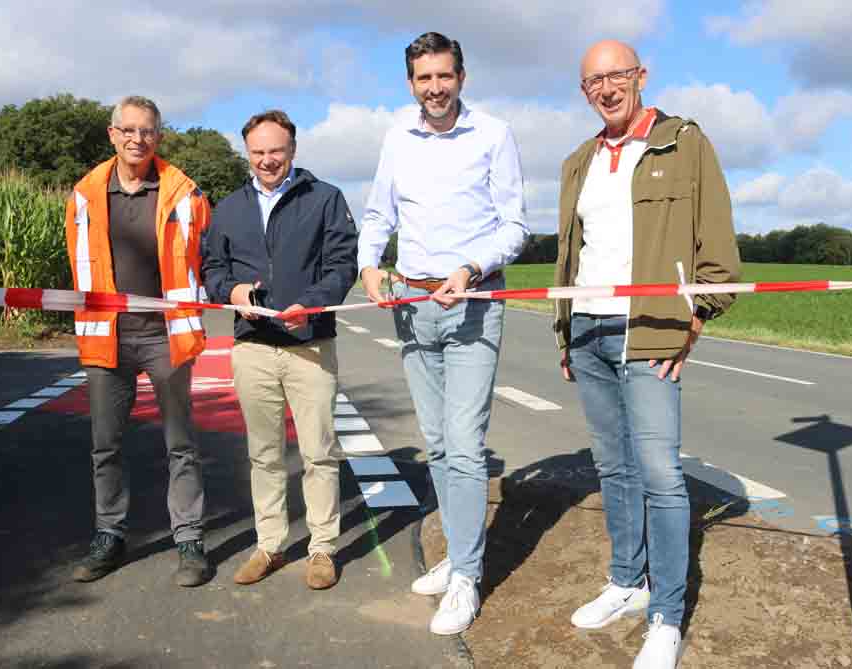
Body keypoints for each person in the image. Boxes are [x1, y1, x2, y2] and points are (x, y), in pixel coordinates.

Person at [554, 40, 740, 668]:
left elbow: (717, 247)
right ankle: (626, 582)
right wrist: (565, 330)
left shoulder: (683, 141)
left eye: (616, 76)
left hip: (652, 331)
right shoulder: (578, 161)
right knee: (613, 469)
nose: (606, 90)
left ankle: (666, 614)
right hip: (589, 332)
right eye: (592, 83)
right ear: (584, 92)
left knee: (660, 474)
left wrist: (695, 320)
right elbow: (570, 256)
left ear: (640, 76)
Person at [358, 31, 528, 635]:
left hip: (474, 301)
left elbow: (515, 226)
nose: (435, 88)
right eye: (424, 78)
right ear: (411, 84)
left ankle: (466, 579)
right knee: (436, 442)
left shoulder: (494, 134)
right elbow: (379, 214)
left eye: (444, 76)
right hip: (410, 300)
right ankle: (458, 553)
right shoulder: (396, 137)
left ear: (462, 77)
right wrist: (370, 264)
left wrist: (470, 268)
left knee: (464, 442)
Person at [202, 110, 357, 590]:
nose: (268, 160)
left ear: (292, 149)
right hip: (252, 347)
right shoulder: (227, 208)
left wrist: (308, 306)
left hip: (309, 344)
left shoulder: (326, 199)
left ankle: (322, 548)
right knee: (264, 454)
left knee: (318, 453)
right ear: (246, 153)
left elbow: (341, 266)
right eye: (258, 151)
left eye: (276, 150)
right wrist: (232, 293)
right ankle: (269, 544)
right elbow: (212, 269)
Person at [65, 95, 212, 586]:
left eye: (146, 130)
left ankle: (189, 540)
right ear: (112, 134)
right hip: (106, 337)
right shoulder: (85, 195)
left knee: (181, 444)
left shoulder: (184, 193)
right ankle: (109, 534)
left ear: (158, 136)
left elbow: (203, 260)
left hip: (166, 336)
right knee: (105, 445)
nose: (136, 138)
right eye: (127, 130)